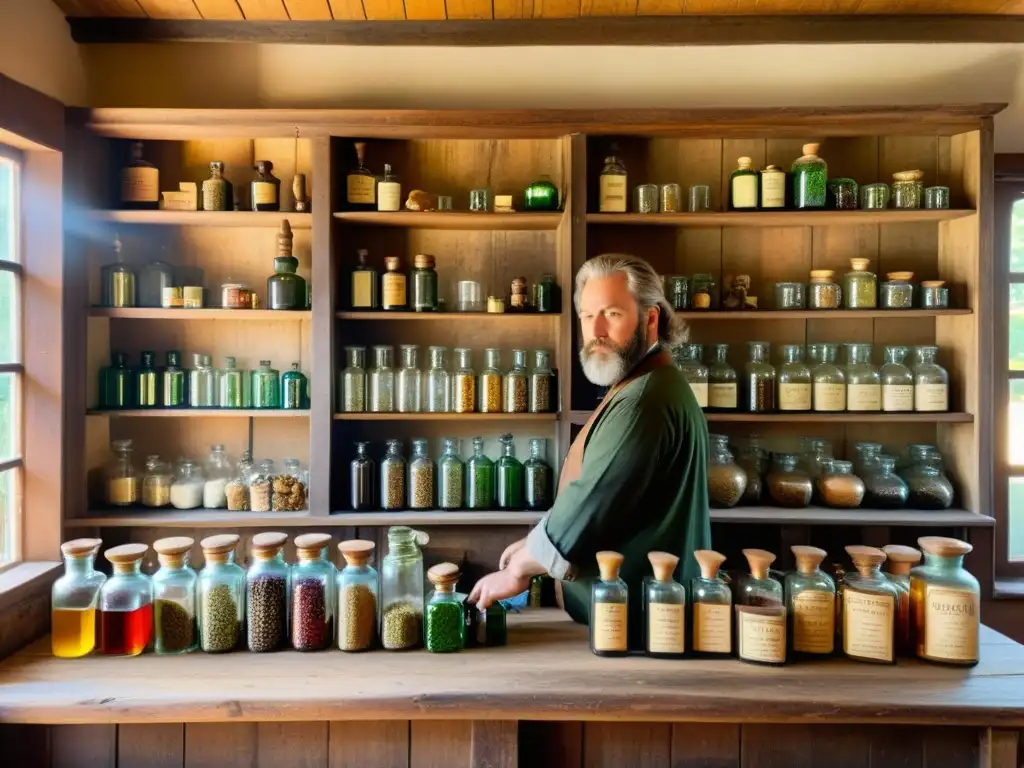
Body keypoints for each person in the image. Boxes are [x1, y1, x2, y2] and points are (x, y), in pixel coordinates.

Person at [469, 254, 710, 646]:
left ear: (651, 319)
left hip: (636, 623)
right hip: (634, 617)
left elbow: (593, 501)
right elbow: (603, 488)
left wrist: (519, 571)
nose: (595, 330)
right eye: (586, 315)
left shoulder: (643, 400)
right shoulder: (646, 383)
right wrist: (534, 543)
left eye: (612, 313)